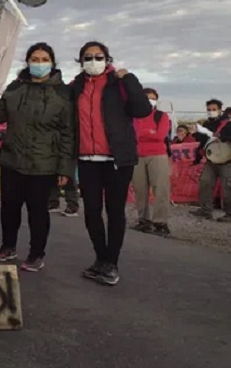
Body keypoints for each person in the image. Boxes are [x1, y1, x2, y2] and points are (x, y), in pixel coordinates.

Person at [0, 43, 75, 272]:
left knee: (38, 212)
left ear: (52, 62)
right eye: (34, 59)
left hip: (44, 164)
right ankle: (8, 247)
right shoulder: (15, 87)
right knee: (9, 209)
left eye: (44, 59)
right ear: (27, 62)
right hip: (12, 159)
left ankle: (36, 253)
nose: (39, 63)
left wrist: (65, 169)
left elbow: (68, 133)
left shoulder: (63, 93)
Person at [71, 41, 151, 286]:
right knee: (92, 212)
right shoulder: (75, 86)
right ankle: (101, 258)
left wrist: (131, 80)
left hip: (117, 159)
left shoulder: (120, 83)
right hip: (87, 159)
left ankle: (111, 263)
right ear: (81, 60)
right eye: (88, 56)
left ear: (107, 58)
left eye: (98, 56)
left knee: (115, 212)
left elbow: (142, 109)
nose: (93, 60)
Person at [131, 88, 172, 237]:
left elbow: (160, 135)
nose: (150, 100)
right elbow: (132, 134)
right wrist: (150, 132)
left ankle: (160, 222)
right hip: (137, 156)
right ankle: (144, 220)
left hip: (157, 155)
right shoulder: (133, 117)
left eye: (153, 97)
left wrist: (143, 134)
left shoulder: (161, 116)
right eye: (147, 97)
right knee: (139, 189)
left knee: (160, 189)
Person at [191, 98, 231, 220]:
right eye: (209, 110)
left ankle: (229, 213)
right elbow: (203, 141)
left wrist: (221, 136)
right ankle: (205, 210)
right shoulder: (207, 124)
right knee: (205, 182)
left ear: (220, 110)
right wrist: (195, 134)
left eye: (214, 109)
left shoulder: (228, 124)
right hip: (211, 160)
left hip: (227, 161)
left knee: (228, 187)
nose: (211, 112)